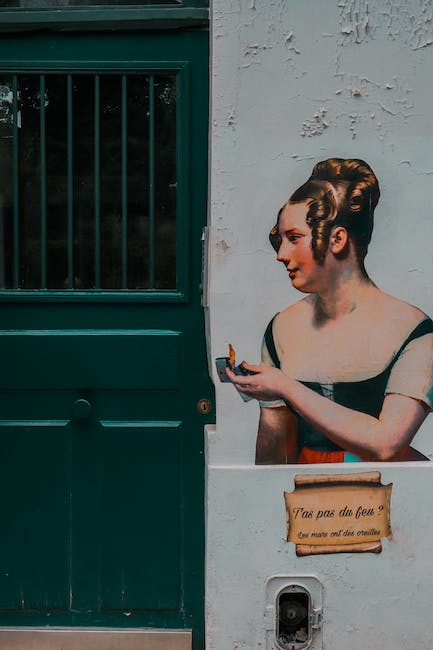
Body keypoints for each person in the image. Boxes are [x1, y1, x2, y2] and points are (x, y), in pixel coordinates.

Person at [227, 158, 433, 464]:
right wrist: (269, 405)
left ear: (337, 239)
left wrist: (285, 387)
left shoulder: (412, 330)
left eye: (294, 238)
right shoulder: (282, 328)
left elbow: (386, 445)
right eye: (280, 241)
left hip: (385, 500)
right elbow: (273, 464)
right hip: (306, 505)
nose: (281, 255)